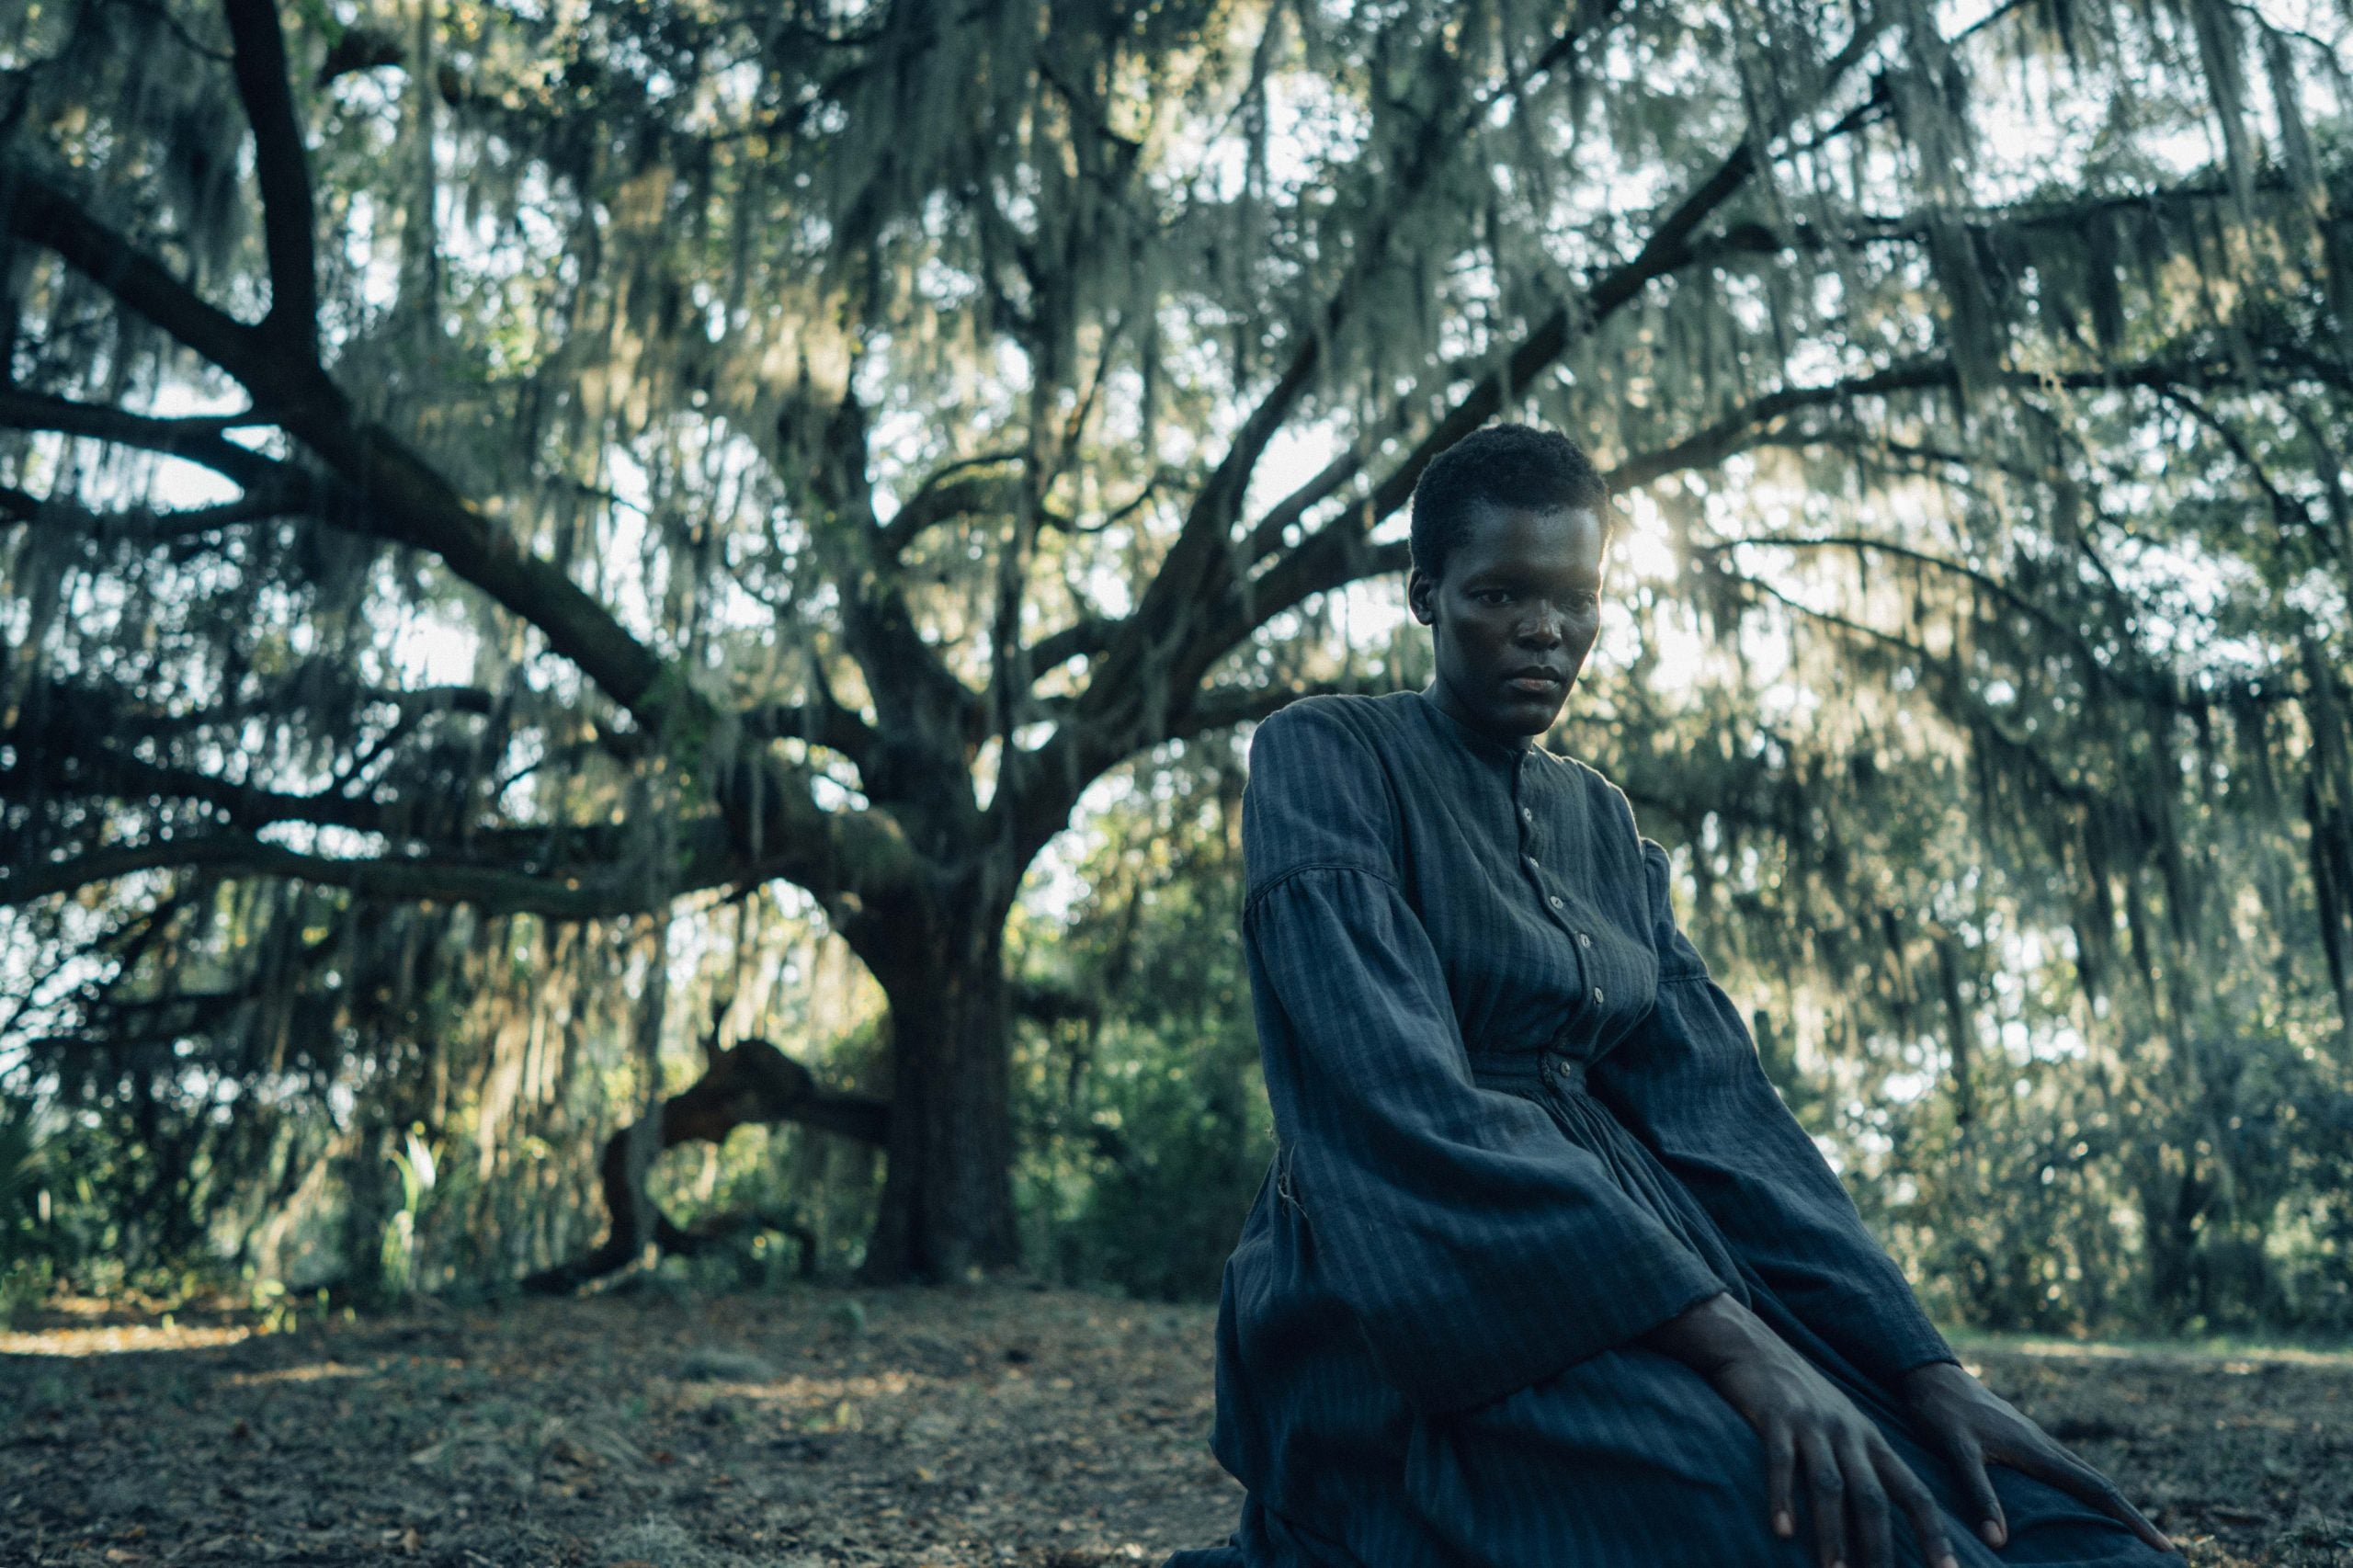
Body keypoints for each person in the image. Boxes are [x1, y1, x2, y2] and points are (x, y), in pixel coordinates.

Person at [1167, 425, 2179, 1568]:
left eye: (1575, 599)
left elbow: (1727, 1124)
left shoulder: (1604, 823)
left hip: (1671, 1270)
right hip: (1416, 1277)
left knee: (2067, 1534)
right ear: (1425, 595)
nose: (1543, 628)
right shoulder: (1327, 754)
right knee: (1820, 1529)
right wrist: (1733, 1349)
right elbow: (1393, 1100)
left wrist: (1919, 1367)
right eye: (1499, 592)